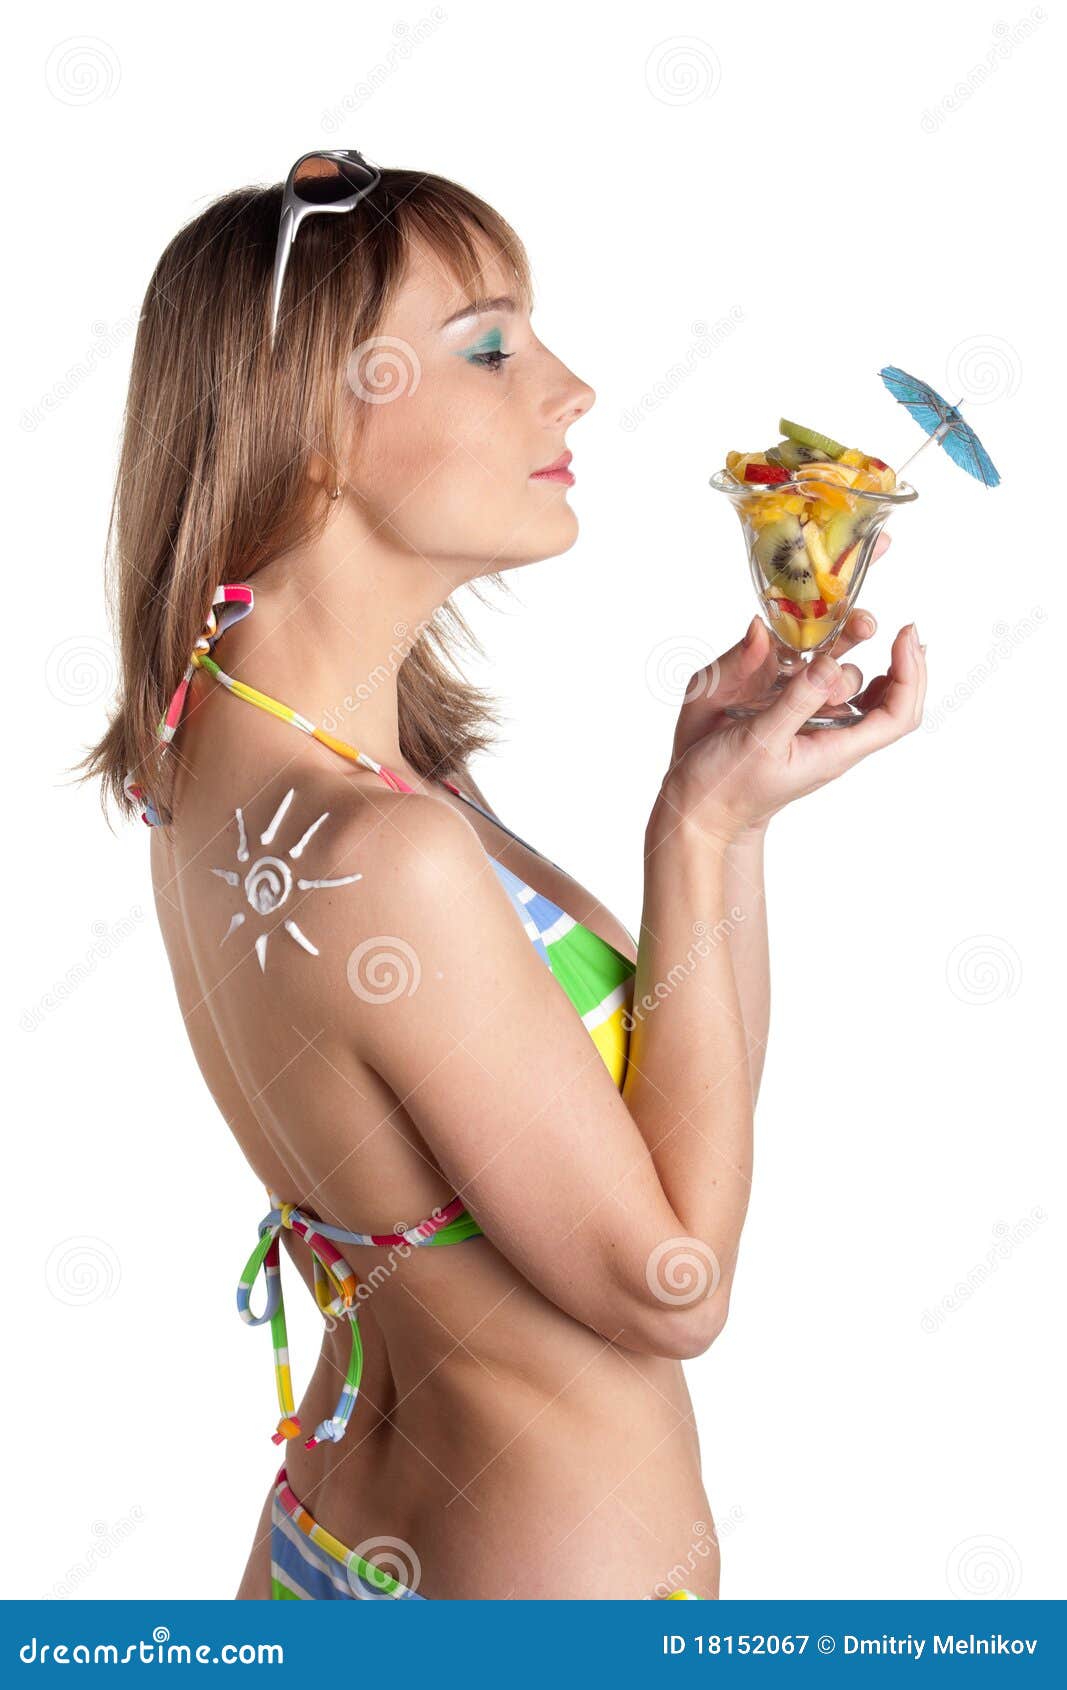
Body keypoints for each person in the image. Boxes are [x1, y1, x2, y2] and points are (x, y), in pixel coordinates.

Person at [84, 154, 925, 1601]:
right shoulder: (381, 847)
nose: (571, 387)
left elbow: (622, 1122)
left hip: (327, 1541)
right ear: (311, 426)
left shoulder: (219, 750)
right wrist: (699, 838)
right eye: (490, 348)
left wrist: (728, 817)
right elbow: (674, 1283)